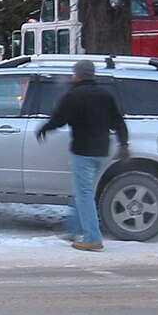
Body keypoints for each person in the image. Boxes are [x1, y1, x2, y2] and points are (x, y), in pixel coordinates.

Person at [36, 59, 129, 251]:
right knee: (84, 192)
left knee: (85, 194)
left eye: (74, 73)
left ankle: (92, 238)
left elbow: (59, 119)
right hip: (102, 151)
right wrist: (123, 144)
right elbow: (118, 121)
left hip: (83, 152)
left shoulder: (73, 96)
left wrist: (45, 128)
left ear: (78, 75)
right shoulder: (106, 95)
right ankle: (75, 229)